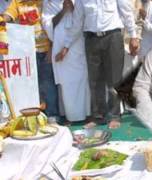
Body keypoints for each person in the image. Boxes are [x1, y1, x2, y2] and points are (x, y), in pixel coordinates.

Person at [57, 0, 139, 128]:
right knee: (95, 81)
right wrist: (66, 46)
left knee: (115, 79)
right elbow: (77, 22)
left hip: (113, 36)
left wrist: (134, 36)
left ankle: (114, 116)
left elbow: (126, 12)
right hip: (91, 39)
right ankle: (98, 116)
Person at [1, 0, 59, 119]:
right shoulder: (17, 2)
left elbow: (52, 25)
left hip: (45, 49)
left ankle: (53, 116)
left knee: (48, 84)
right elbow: (7, 16)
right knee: (29, 86)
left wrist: (52, 48)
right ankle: (35, 117)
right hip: (26, 53)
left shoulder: (44, 2)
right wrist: (2, 20)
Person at [42, 0, 90, 123]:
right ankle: (70, 116)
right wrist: (63, 11)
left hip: (77, 42)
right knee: (66, 82)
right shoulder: (49, 2)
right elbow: (48, 24)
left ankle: (86, 114)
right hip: (59, 43)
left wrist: (73, 9)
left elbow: (84, 18)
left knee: (82, 79)